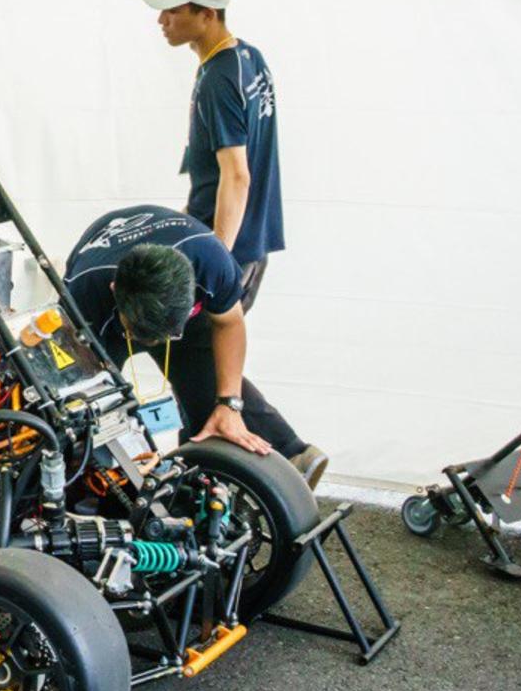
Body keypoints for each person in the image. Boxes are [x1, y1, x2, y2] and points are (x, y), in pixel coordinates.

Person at [62, 204, 327, 487]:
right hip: (105, 314)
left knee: (202, 375)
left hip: (171, 283)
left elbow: (230, 323)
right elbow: (84, 395)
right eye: (146, 335)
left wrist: (230, 405)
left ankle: (277, 458)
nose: (157, 344)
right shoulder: (83, 296)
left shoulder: (211, 263)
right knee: (98, 409)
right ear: (115, 291)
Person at [136, 0, 283, 308]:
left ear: (207, 14)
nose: (161, 20)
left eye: (172, 10)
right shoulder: (247, 56)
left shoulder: (220, 77)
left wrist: (216, 259)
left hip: (232, 246)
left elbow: (236, 176)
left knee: (206, 357)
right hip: (246, 240)